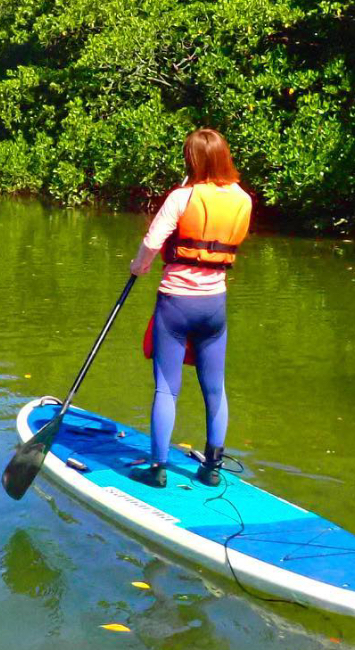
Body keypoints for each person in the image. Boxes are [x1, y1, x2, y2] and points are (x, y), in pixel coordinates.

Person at [128, 128, 252, 488]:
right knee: (215, 389)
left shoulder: (182, 197)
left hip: (176, 303)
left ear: (192, 160)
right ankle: (212, 469)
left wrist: (140, 266)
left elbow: (152, 242)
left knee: (167, 388)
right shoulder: (243, 199)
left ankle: (157, 470)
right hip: (214, 306)